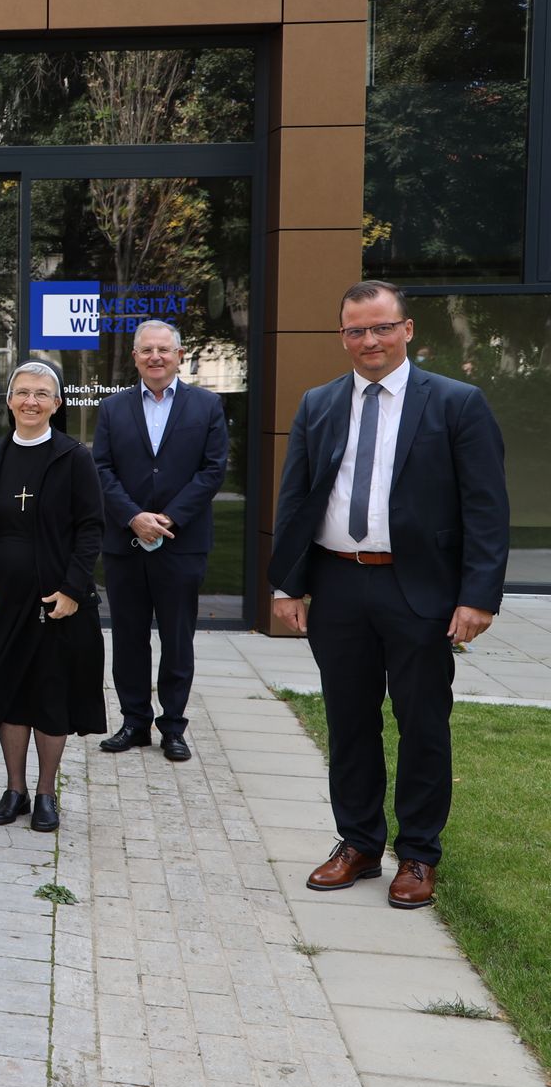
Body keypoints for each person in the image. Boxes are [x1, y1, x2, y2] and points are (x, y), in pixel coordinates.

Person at [271, 281, 507, 911]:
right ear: (342, 335)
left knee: (422, 721)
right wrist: (288, 582)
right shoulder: (319, 403)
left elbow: (485, 507)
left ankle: (420, 854)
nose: (368, 341)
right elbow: (296, 500)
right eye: (355, 330)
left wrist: (478, 595)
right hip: (338, 582)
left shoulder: (457, 403)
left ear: (406, 330)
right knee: (348, 721)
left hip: (420, 589)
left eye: (380, 328)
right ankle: (358, 844)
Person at [0, 361, 106, 834]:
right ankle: (14, 789)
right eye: (23, 392)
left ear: (57, 405)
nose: (31, 401)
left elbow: (90, 527)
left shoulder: (73, 456)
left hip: (55, 603)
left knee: (51, 696)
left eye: (42, 394)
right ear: (9, 401)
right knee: (10, 695)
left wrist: (74, 590)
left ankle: (46, 793)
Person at [92, 320, 228, 763]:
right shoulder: (113, 408)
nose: (155, 357)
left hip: (181, 543)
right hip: (125, 543)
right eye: (146, 350)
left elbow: (212, 471)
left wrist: (166, 518)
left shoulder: (206, 406)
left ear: (180, 355)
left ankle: (173, 726)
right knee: (129, 637)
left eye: (164, 350)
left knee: (177, 638)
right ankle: (134, 722)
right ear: (135, 357)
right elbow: (102, 469)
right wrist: (133, 517)